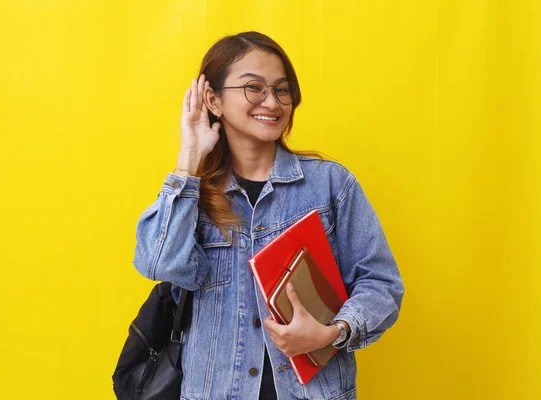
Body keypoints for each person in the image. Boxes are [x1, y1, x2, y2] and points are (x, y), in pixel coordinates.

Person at [133, 31, 404, 400]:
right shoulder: (193, 196)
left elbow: (381, 283)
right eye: (254, 88)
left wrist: (333, 331)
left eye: (281, 89)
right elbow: (157, 264)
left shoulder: (329, 184)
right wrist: (189, 159)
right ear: (213, 99)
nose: (272, 102)